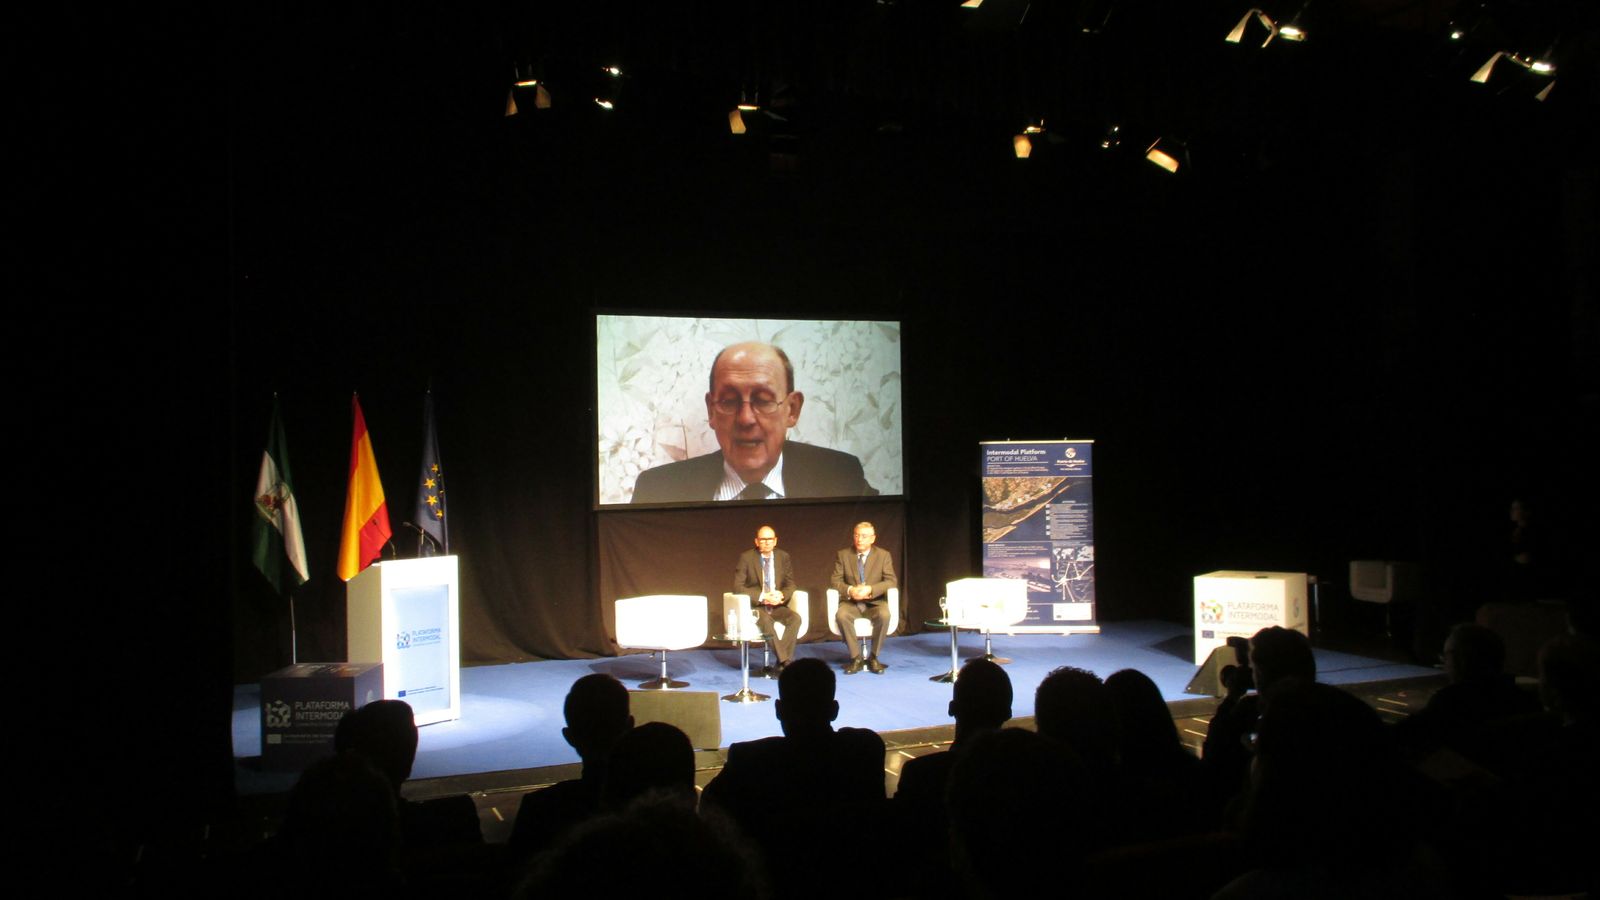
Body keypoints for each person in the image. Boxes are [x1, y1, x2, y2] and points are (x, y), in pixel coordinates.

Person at [699, 658, 886, 899]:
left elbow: (710, 812)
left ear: (779, 710)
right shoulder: (865, 750)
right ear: (834, 709)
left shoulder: (750, 760)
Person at [630, 341, 877, 503]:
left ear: (792, 409)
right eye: (728, 401)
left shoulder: (841, 477)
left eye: (763, 400)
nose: (746, 419)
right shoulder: (657, 490)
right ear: (712, 410)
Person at [733, 524, 802, 669]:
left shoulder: (783, 557)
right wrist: (763, 597)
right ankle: (786, 663)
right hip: (757, 606)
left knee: (795, 618)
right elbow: (737, 587)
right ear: (756, 542)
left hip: (777, 604)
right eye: (763, 539)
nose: (766, 542)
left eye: (770, 539)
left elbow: (791, 585)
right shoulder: (746, 558)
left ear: (775, 541)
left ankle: (782, 662)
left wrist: (781, 595)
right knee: (765, 620)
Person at [831, 520, 896, 674]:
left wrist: (871, 589)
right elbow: (835, 581)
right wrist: (850, 590)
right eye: (857, 535)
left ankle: (874, 657)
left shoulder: (883, 555)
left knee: (885, 614)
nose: (859, 539)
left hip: (875, 602)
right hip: (851, 602)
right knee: (841, 615)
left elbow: (891, 581)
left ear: (873, 538)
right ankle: (856, 658)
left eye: (864, 536)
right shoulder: (844, 555)